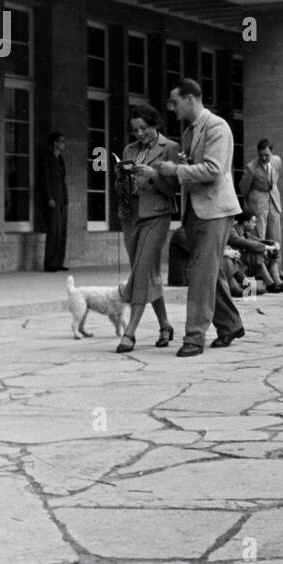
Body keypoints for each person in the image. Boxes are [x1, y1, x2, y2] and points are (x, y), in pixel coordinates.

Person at [154, 79, 245, 356]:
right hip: (195, 210)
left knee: (202, 273)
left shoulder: (217, 127)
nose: (171, 108)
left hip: (215, 210)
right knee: (207, 271)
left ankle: (194, 337)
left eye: (175, 101)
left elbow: (214, 169)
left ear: (191, 98)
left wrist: (175, 171)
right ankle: (229, 324)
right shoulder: (190, 132)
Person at [115, 106, 179, 352]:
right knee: (147, 273)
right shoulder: (129, 150)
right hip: (131, 217)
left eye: (144, 128)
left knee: (141, 272)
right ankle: (165, 326)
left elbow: (172, 188)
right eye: (135, 130)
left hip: (157, 215)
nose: (139, 134)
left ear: (156, 125)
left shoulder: (170, 148)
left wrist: (153, 175)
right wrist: (120, 177)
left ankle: (130, 333)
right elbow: (120, 189)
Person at [239, 139, 283, 268]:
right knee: (260, 236)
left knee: (276, 236)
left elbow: (275, 178)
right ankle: (259, 269)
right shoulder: (251, 168)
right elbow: (243, 187)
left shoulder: (277, 161)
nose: (264, 158)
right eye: (261, 155)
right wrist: (252, 202)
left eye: (267, 155)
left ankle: (278, 271)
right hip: (258, 203)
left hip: (274, 201)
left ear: (272, 153)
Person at [228, 214, 283, 293]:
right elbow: (248, 244)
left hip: (244, 264)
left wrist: (272, 244)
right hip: (235, 267)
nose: (255, 224)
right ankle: (270, 285)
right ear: (245, 222)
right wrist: (267, 248)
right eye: (253, 222)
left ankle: (278, 283)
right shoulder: (232, 232)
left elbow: (257, 240)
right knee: (256, 254)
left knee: (268, 253)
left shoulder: (243, 232)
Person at [40, 132, 68, 271]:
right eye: (61, 141)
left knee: (62, 231)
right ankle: (49, 263)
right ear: (55, 143)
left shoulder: (60, 159)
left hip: (62, 198)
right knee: (53, 231)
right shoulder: (47, 158)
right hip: (53, 198)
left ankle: (58, 262)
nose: (63, 143)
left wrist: (65, 198)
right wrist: (49, 197)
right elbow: (44, 179)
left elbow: (62, 180)